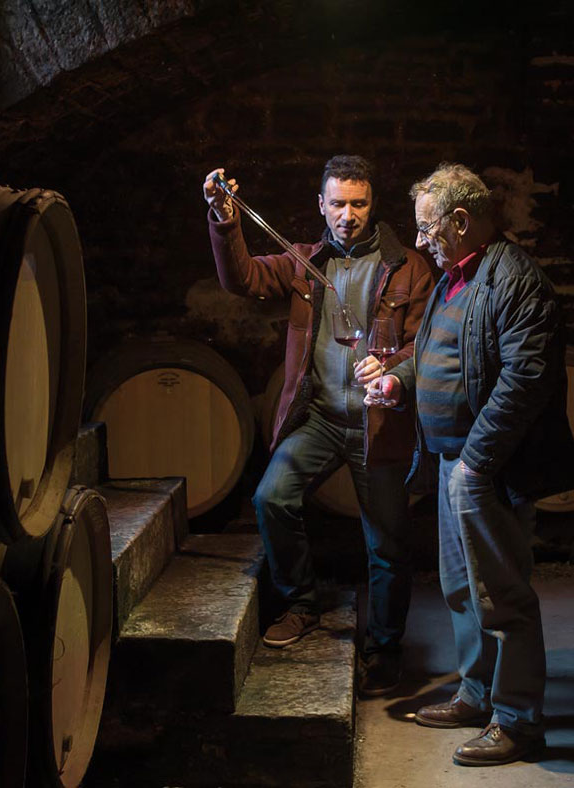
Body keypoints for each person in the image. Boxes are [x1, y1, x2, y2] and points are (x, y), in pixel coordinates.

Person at [366, 163, 574, 766]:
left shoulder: (516, 280)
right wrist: (399, 384)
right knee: (461, 589)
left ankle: (517, 722)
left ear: (461, 222)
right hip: (454, 460)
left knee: (502, 595)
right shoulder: (453, 278)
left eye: (429, 229)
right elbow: (435, 353)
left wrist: (476, 463)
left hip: (487, 467)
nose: (422, 242)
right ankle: (476, 693)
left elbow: (525, 378)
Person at [203, 155, 436, 697]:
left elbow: (423, 344)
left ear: (372, 204)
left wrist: (396, 370)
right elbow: (243, 279)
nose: (348, 215)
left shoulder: (408, 268)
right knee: (271, 497)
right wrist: (224, 218)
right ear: (321, 205)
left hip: (379, 426)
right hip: (324, 420)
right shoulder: (305, 262)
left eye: (358, 203)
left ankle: (383, 648)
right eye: (338, 203)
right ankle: (301, 602)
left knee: (387, 544)